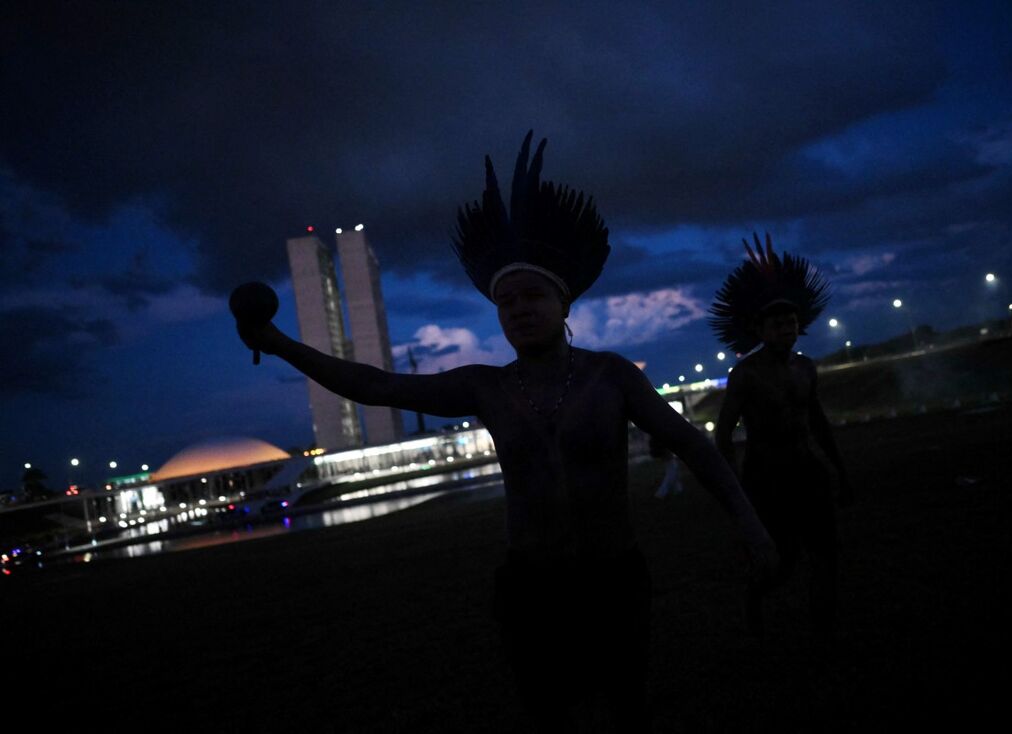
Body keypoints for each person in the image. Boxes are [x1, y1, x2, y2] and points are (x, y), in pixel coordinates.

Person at [237, 132, 775, 732]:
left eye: (533, 295)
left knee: (626, 711)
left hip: (613, 578)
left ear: (563, 303)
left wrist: (750, 525)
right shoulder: (486, 388)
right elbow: (376, 386)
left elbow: (692, 444)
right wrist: (279, 343)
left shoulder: (610, 376)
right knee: (552, 718)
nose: (519, 308)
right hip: (532, 588)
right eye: (506, 300)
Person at [711, 233, 853, 640]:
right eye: (776, 324)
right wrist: (735, 487)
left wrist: (839, 472)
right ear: (759, 330)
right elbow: (724, 432)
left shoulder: (806, 368)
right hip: (768, 479)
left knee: (827, 552)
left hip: (810, 471)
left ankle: (823, 625)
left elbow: (818, 422)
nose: (786, 329)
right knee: (783, 558)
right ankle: (755, 603)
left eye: (790, 323)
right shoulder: (746, 374)